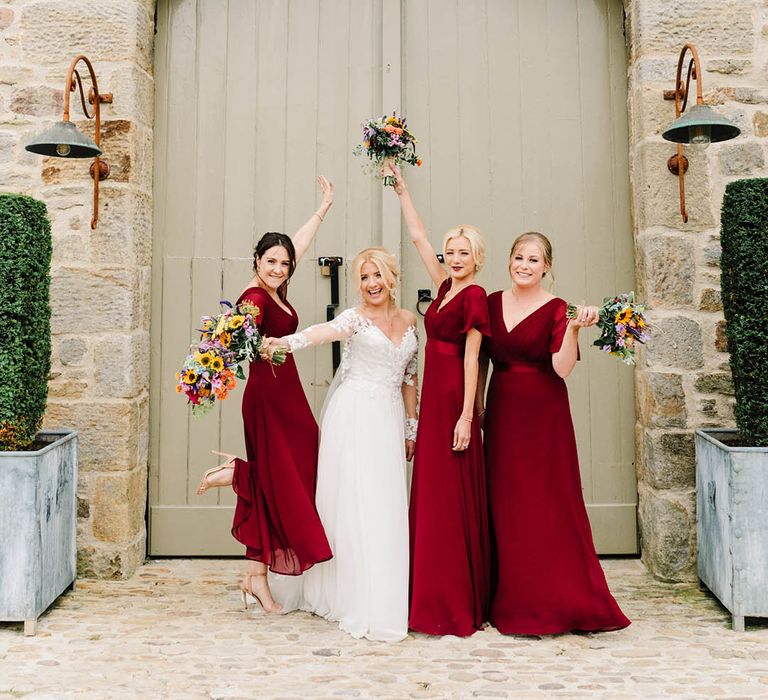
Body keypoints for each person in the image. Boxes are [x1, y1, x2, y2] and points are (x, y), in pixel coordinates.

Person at [263, 247, 418, 642]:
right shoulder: (355, 319)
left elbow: (409, 379)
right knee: (352, 501)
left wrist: (411, 427)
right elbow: (322, 332)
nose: (371, 284)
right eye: (364, 278)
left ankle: (382, 584)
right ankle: (346, 592)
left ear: (392, 278)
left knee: (383, 502)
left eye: (377, 275)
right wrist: (287, 342)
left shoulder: (409, 320)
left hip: (387, 418)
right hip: (353, 416)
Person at [479, 231, 631, 634]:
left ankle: (557, 598)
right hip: (502, 412)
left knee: (548, 503)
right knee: (507, 502)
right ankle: (512, 597)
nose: (524, 265)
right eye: (518, 257)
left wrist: (576, 330)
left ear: (546, 266)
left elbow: (562, 368)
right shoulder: (491, 303)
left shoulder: (558, 308)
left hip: (545, 416)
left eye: (533, 259)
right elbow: (478, 361)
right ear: (508, 260)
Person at [196, 176, 335, 613]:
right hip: (268, 395)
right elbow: (235, 340)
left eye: (284, 264)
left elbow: (297, 245)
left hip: (287, 392)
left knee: (296, 466)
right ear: (256, 260)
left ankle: (256, 576)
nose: (278, 268)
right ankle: (240, 475)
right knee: (281, 474)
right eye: (271, 261)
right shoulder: (255, 297)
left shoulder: (276, 288)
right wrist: (228, 359)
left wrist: (323, 207)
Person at [384, 162, 490, 637]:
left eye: (462, 252)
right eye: (450, 252)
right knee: (429, 494)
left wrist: (467, 416)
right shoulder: (445, 286)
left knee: (451, 496)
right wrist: (402, 190)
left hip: (454, 400)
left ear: (476, 257)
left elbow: (473, 360)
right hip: (432, 401)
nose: (453, 257)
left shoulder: (475, 296)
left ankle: (454, 599)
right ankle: (424, 591)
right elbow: (419, 238)